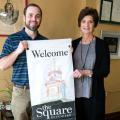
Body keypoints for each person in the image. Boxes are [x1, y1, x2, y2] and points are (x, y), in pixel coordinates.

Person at [0, 3, 47, 120]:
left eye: (37, 16)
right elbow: (2, 65)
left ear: (40, 19)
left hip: (41, 92)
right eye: (30, 15)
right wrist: (17, 51)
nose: (34, 19)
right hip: (21, 93)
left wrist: (66, 53)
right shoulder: (12, 39)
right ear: (24, 17)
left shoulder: (46, 42)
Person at [72, 7, 110, 120]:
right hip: (75, 95)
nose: (86, 25)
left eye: (90, 21)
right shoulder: (72, 44)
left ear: (95, 24)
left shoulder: (102, 45)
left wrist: (86, 72)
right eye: (83, 21)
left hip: (94, 96)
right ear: (79, 23)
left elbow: (105, 71)